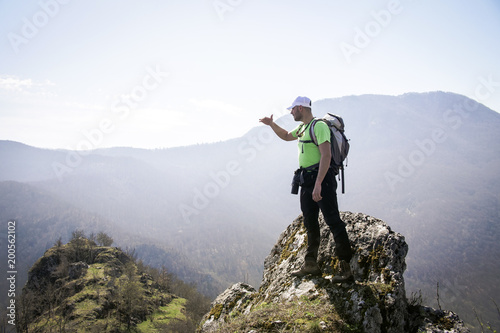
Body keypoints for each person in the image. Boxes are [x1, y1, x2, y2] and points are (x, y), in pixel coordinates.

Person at [259, 96, 353, 282]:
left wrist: (318, 183)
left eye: (292, 109)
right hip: (306, 180)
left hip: (322, 180)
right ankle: (311, 264)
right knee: (310, 222)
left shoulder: (318, 126)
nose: (291, 112)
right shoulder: (303, 127)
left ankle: (346, 269)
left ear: (300, 108)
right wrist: (272, 125)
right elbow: (286, 136)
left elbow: (325, 156)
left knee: (333, 221)